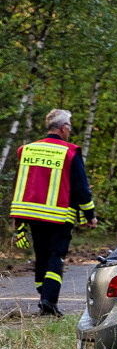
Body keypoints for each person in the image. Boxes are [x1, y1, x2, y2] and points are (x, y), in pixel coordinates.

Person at [9, 109, 97, 317]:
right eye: (70, 127)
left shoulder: (27, 150)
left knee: (41, 256)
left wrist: (18, 220)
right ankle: (49, 301)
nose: (70, 131)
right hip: (59, 215)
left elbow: (22, 182)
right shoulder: (70, 151)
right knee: (56, 257)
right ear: (63, 128)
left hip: (31, 213)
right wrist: (89, 214)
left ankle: (43, 295)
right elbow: (81, 188)